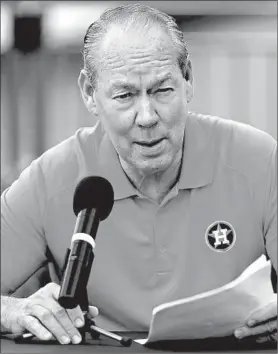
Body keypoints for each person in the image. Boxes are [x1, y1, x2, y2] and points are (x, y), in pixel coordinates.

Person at [1, 3, 277, 346]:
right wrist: (13, 311)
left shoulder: (258, 159)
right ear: (90, 93)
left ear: (188, 79)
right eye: (124, 95)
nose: (147, 116)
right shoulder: (51, 179)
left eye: (162, 90)